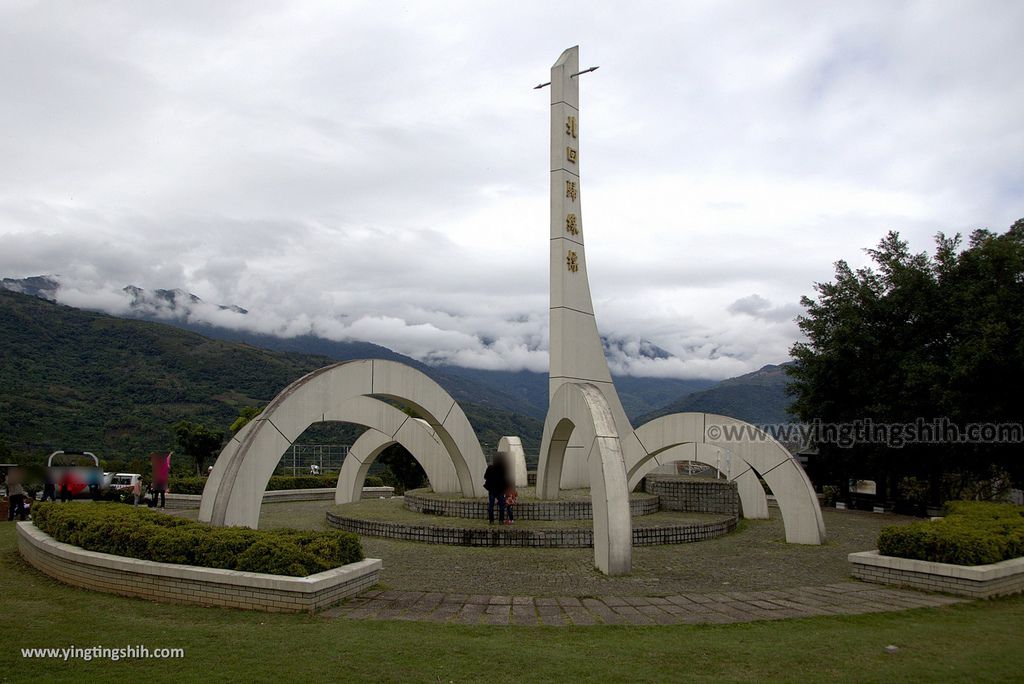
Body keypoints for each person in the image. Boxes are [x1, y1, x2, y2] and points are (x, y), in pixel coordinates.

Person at [483, 452, 510, 525]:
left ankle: (491, 520)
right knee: (502, 506)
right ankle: (501, 520)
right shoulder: (503, 468)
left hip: (492, 489)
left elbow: (485, 477)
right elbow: (506, 479)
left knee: (491, 505)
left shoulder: (490, 467)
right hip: (500, 490)